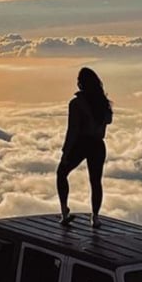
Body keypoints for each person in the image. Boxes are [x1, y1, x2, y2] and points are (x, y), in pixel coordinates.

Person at [57, 67, 113, 228]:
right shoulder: (103, 103)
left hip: (81, 143)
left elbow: (73, 129)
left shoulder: (76, 103)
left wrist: (65, 151)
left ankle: (64, 212)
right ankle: (95, 217)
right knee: (96, 181)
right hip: (98, 144)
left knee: (61, 173)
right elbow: (108, 121)